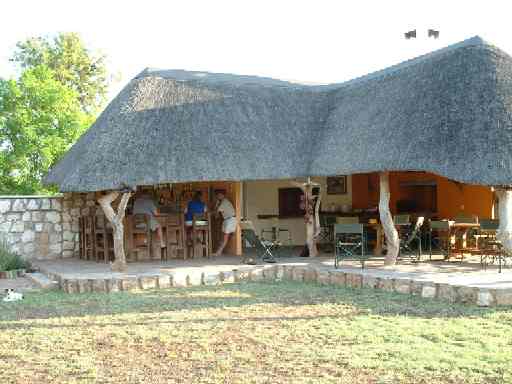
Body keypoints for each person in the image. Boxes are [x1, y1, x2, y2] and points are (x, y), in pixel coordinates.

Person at [213, 190, 237, 257]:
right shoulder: (223, 202)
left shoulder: (224, 202)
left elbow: (216, 213)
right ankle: (219, 251)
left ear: (222, 195)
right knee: (223, 237)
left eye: (219, 195)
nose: (218, 196)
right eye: (217, 195)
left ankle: (218, 252)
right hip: (227, 219)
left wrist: (216, 204)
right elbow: (216, 214)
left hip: (230, 219)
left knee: (224, 237)